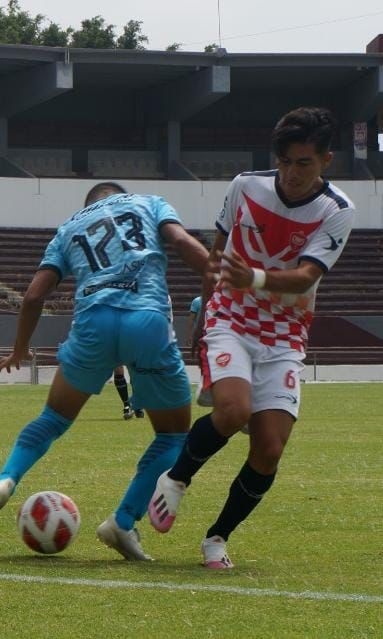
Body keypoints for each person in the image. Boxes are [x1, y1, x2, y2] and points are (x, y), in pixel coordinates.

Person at [149, 107, 355, 569]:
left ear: (326, 160)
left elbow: (304, 278)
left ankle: (217, 538)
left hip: (285, 332)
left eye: (304, 163)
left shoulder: (337, 211)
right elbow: (217, 256)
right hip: (231, 317)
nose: (292, 173)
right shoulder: (244, 185)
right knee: (234, 410)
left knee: (269, 448)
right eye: (285, 162)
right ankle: (176, 480)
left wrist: (255, 277)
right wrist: (201, 320)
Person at [0, 181, 213, 561]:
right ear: (119, 195)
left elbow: (33, 296)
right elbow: (181, 244)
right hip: (145, 320)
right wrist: (221, 282)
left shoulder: (68, 228)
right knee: (173, 437)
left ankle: (7, 478)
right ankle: (123, 521)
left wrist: (19, 349)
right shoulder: (149, 203)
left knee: (51, 420)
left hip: (92, 324)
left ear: (89, 204)